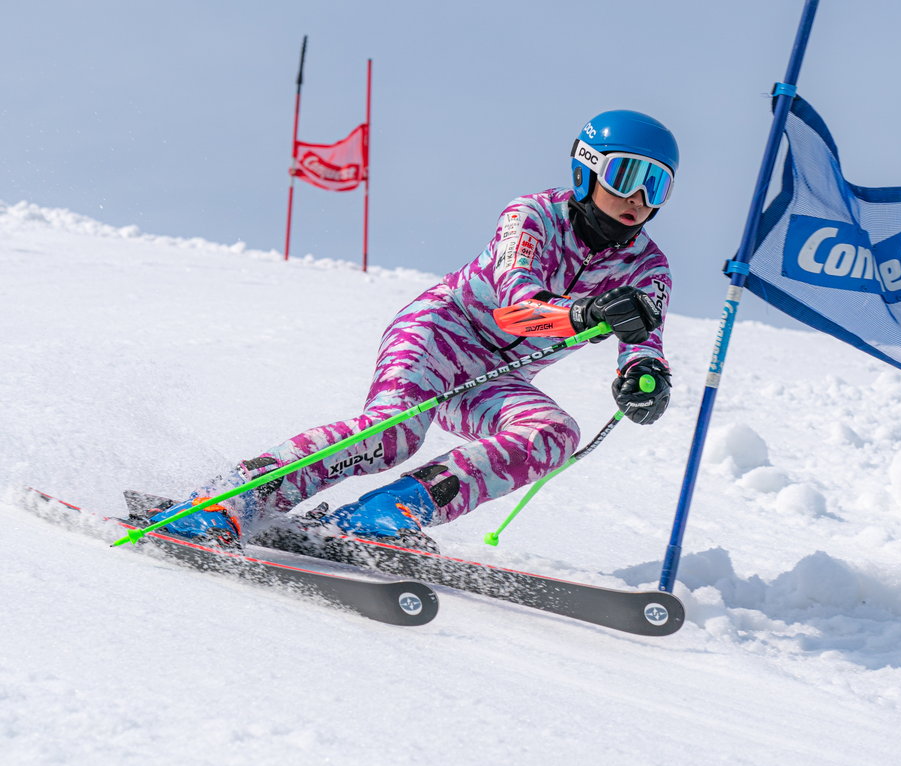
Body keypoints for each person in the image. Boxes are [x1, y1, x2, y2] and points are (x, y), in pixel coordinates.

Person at [151, 109, 678, 548]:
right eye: (627, 175)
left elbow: (643, 340)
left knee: (553, 434)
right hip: (440, 335)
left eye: (657, 185)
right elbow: (516, 306)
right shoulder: (534, 215)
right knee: (394, 433)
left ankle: (383, 515)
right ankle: (226, 502)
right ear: (587, 169)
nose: (639, 197)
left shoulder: (648, 268)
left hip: (500, 376)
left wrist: (645, 378)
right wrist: (585, 315)